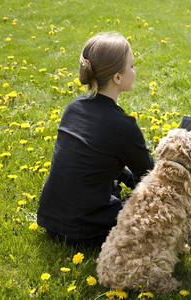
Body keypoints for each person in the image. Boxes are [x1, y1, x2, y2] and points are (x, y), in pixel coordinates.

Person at [37, 32, 154, 248]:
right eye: (132, 66)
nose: (134, 70)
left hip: (49, 220)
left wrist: (129, 180)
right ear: (117, 78)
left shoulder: (73, 108)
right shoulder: (123, 126)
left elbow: (97, 155)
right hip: (84, 231)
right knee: (154, 205)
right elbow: (150, 176)